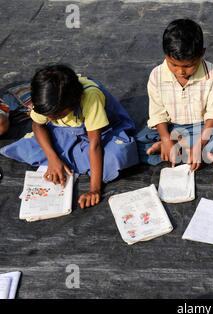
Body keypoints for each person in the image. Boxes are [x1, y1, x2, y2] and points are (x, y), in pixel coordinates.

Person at [0, 65, 139, 208]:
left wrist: (94, 190)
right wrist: (52, 158)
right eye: (49, 116)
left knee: (116, 158)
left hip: (103, 132)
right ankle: (70, 159)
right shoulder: (46, 103)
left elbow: (95, 144)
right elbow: (37, 125)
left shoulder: (90, 97)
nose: (51, 118)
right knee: (26, 148)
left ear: (73, 101)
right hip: (66, 131)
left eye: (58, 115)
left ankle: (70, 158)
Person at [136, 18, 213, 171]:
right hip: (170, 128)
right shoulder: (156, 75)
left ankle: (183, 150)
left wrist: (200, 144)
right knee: (133, 146)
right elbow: (157, 114)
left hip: (201, 128)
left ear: (202, 54)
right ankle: (187, 151)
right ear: (165, 55)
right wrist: (166, 139)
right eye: (173, 65)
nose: (180, 71)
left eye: (188, 66)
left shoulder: (212, 73)